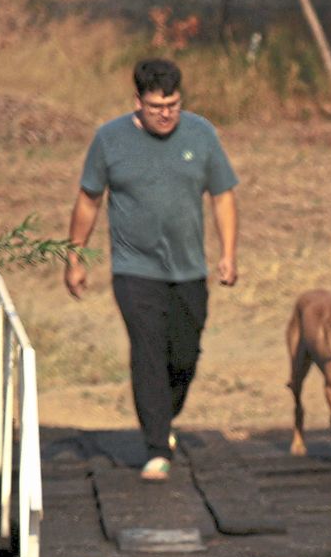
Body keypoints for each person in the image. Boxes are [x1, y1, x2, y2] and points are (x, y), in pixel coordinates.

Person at [64, 58, 239, 481]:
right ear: (137, 102)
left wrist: (229, 253)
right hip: (133, 268)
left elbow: (222, 196)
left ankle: (164, 416)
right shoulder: (110, 139)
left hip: (189, 269)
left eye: (174, 105)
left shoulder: (201, 134)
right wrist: (74, 257)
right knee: (147, 351)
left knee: (184, 355)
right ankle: (158, 446)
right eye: (157, 106)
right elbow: (89, 199)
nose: (166, 114)